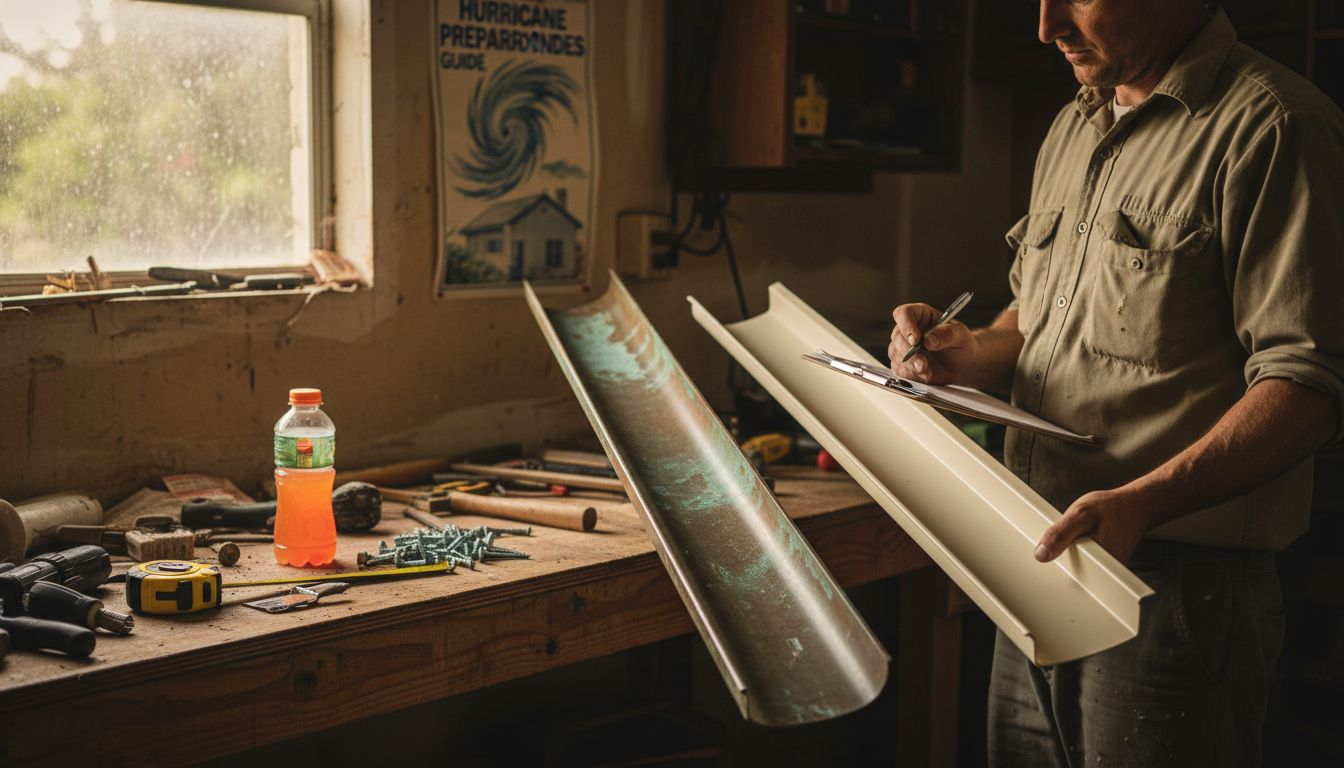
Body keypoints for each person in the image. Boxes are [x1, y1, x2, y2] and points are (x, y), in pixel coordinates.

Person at [888, 1, 1344, 766]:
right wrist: (970, 354)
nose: (1046, 26)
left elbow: (1308, 386)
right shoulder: (1077, 123)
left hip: (1174, 592)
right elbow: (1037, 318)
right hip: (1037, 559)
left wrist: (1145, 500)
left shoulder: (1276, 126)